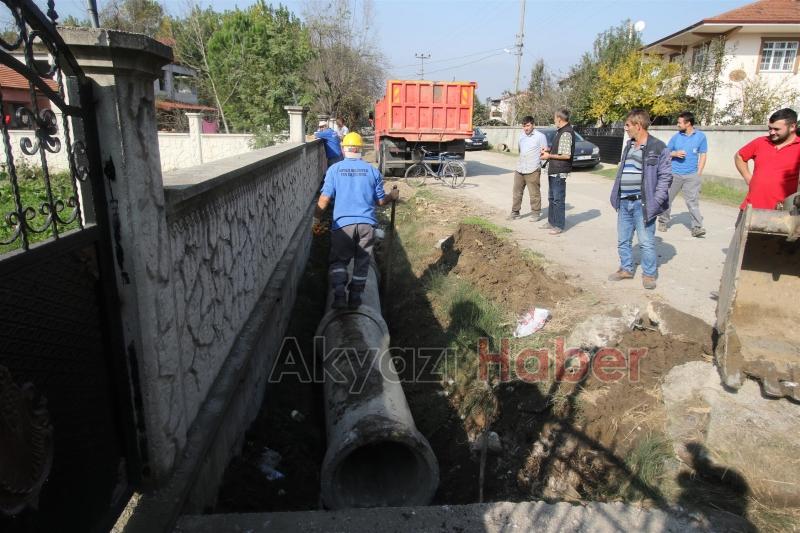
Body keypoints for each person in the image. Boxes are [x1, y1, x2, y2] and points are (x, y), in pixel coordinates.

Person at [314, 132, 399, 309]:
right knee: (362, 263)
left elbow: (324, 200)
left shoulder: (334, 170)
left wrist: (316, 219)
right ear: (360, 150)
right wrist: (392, 196)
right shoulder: (372, 171)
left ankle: (338, 295)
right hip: (367, 226)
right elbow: (380, 201)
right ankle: (355, 298)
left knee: (338, 262)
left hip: (342, 226)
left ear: (344, 150)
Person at [608, 109, 672, 290]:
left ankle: (649, 274)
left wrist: (655, 202)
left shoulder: (658, 147)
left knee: (645, 242)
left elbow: (665, 177)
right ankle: (626, 269)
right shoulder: (629, 145)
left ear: (638, 126)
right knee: (623, 239)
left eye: (627, 125)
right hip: (624, 201)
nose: (625, 128)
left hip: (642, 204)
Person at [735, 108, 800, 213]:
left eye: (776, 129)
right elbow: (739, 157)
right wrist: (748, 178)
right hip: (750, 210)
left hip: (783, 214)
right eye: (770, 128)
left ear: (792, 127)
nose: (772, 132)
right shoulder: (761, 142)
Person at [658, 111, 708, 237]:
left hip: (691, 175)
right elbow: (665, 152)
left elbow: (703, 154)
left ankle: (697, 227)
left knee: (692, 202)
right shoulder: (676, 137)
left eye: (679, 122)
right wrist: (675, 154)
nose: (677, 124)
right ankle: (663, 221)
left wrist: (699, 173)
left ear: (688, 123)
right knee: (667, 199)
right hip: (674, 174)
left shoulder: (701, 137)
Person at [540, 108, 575, 235]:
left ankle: (559, 225)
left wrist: (548, 156)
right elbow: (559, 150)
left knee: (558, 199)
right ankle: (551, 222)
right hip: (554, 169)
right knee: (552, 198)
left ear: (559, 119)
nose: (554, 120)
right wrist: (549, 149)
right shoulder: (560, 131)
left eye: (555, 118)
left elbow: (566, 155)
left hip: (559, 171)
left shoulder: (566, 133)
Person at [508, 115, 548, 221]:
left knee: (534, 193)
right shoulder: (521, 136)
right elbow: (520, 151)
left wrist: (541, 167)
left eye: (528, 125)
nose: (526, 128)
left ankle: (535, 213)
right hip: (520, 168)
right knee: (516, 192)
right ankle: (515, 212)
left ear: (533, 125)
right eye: (524, 126)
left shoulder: (540, 136)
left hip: (533, 169)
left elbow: (544, 153)